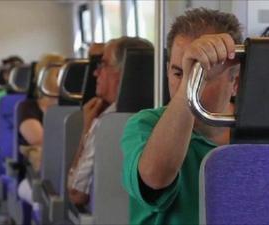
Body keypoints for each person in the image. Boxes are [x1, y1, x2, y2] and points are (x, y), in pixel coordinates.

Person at [121, 8, 242, 224]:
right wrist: (191, 81)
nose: (182, 87)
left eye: (202, 75)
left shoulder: (261, 134)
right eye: (179, 73)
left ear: (235, 82)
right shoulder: (144, 125)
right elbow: (156, 178)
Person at [67, 37, 153, 206]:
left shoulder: (105, 122)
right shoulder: (162, 117)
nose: (95, 73)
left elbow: (76, 194)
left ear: (124, 71)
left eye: (103, 64)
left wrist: (87, 129)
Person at [16, 53, 65, 208]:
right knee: (43, 202)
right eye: (60, 74)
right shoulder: (27, 107)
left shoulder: (76, 110)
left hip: (64, 174)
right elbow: (38, 139)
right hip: (34, 177)